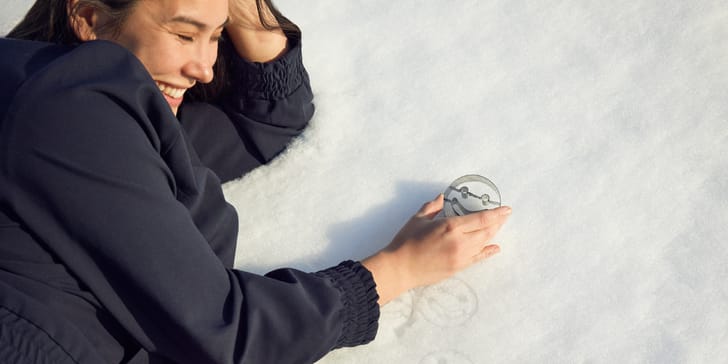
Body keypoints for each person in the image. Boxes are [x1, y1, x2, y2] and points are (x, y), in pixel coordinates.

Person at [0, 0, 512, 363]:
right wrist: (397, 269)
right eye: (183, 33)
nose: (204, 68)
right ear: (88, 19)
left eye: (216, 36)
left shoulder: (70, 114)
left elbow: (265, 119)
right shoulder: (67, 111)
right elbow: (224, 331)